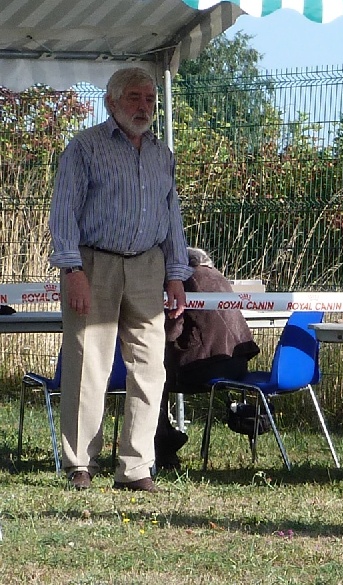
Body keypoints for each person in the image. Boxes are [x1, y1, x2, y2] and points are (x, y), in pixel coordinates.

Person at [49, 66, 193, 493]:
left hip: (148, 266)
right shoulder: (85, 147)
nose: (144, 107)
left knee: (150, 367)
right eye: (134, 97)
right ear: (110, 101)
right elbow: (63, 212)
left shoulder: (162, 154)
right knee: (88, 365)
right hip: (95, 264)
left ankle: (136, 467)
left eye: (150, 99)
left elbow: (172, 217)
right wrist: (73, 270)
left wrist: (176, 274)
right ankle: (80, 464)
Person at [157, 246, 261, 470]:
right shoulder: (219, 278)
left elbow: (172, 329)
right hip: (237, 364)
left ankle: (162, 442)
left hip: (206, 365)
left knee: (154, 376)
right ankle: (165, 437)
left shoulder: (185, 280)